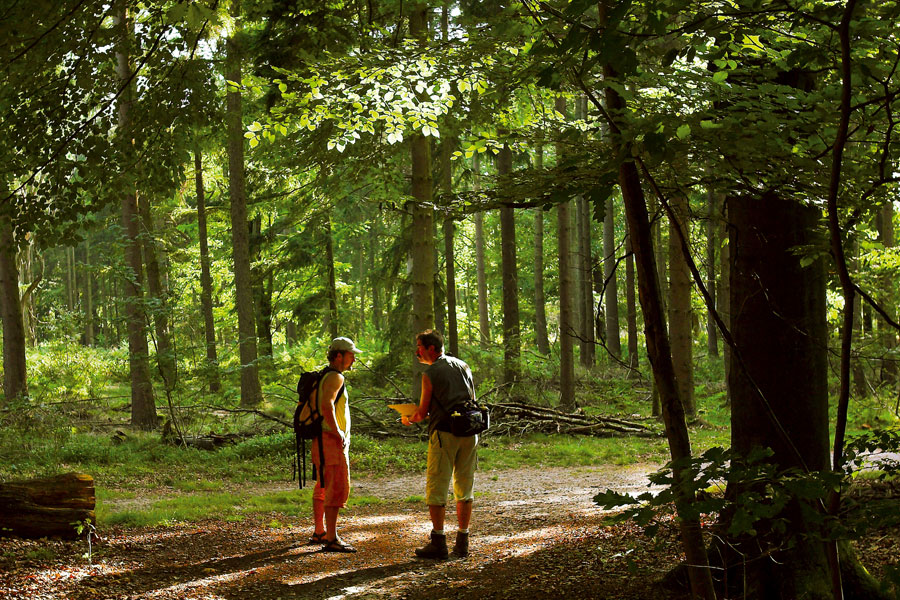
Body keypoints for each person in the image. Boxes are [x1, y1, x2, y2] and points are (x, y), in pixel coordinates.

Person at [402, 329, 478, 559]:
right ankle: (463, 541)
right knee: (465, 486)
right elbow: (471, 399)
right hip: (470, 431)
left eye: (420, 348)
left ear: (431, 348)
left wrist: (409, 418)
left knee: (437, 485)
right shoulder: (463, 366)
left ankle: (438, 542)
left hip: (444, 434)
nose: (417, 352)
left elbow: (422, 412)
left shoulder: (430, 373)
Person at [309, 336, 361, 553]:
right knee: (335, 487)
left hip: (321, 440)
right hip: (330, 440)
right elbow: (327, 405)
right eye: (351, 355)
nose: (353, 360)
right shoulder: (335, 377)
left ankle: (320, 531)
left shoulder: (324, 375)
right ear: (339, 356)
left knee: (323, 485)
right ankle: (331, 538)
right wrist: (338, 432)